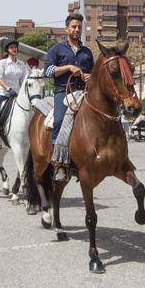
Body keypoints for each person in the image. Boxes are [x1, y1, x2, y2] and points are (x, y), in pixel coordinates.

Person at [45, 13, 94, 181]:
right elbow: (48, 71)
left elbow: (93, 73)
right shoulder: (56, 49)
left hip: (84, 92)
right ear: (66, 29)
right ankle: (59, 164)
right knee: (59, 121)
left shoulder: (87, 52)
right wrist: (68, 67)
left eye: (79, 27)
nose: (77, 29)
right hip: (63, 92)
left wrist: (89, 77)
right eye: (73, 26)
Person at [0, 40, 27, 150]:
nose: (14, 49)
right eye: (12, 47)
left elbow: (24, 81)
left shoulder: (22, 64)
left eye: (15, 47)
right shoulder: (2, 63)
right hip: (3, 93)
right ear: (8, 50)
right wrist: (8, 88)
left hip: (17, 95)